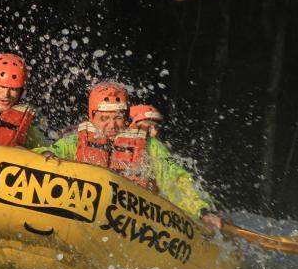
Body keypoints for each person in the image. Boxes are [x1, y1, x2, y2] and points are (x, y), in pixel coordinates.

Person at [37, 82, 223, 229]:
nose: (112, 125)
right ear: (92, 117)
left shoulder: (149, 146)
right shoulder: (75, 141)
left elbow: (174, 179)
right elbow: (54, 152)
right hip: (85, 214)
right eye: (104, 119)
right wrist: (46, 154)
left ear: (126, 116)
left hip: (132, 222)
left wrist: (201, 211)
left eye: (118, 117)